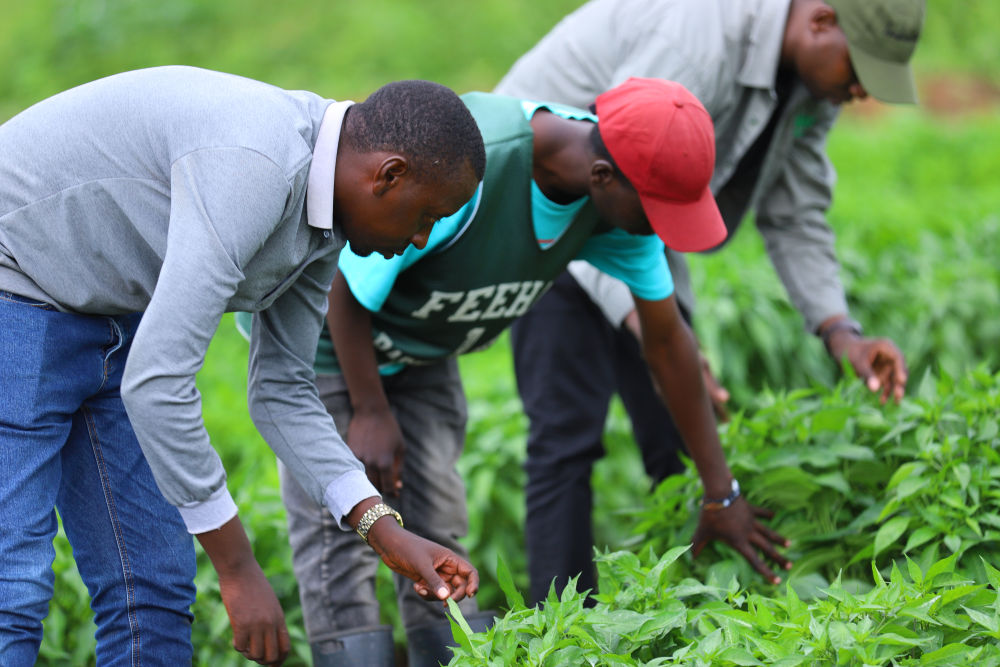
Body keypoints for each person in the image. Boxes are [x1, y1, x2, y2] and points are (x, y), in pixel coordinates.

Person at [260, 76, 790, 666]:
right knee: (343, 538)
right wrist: (370, 409)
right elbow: (342, 285)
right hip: (330, 352)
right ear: (603, 179)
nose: (660, 231)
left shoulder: (614, 207)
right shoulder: (467, 173)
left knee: (438, 528)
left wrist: (722, 493)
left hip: (426, 350)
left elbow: (668, 344)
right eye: (657, 212)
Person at [0, 65, 487, 666]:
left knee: (151, 586)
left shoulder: (325, 219)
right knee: (12, 583)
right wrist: (237, 568)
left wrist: (385, 531)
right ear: (389, 175)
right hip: (14, 281)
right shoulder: (258, 163)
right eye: (426, 216)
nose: (419, 240)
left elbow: (282, 390)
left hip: (108, 307)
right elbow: (157, 384)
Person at [494, 0, 924, 605]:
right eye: (859, 69)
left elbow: (795, 210)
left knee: (680, 417)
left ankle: (691, 613)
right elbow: (613, 169)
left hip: (639, 217)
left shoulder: (811, 80)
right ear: (823, 19)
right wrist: (655, 332)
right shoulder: (697, 43)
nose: (859, 90)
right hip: (553, 205)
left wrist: (839, 329)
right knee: (567, 432)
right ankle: (558, 630)